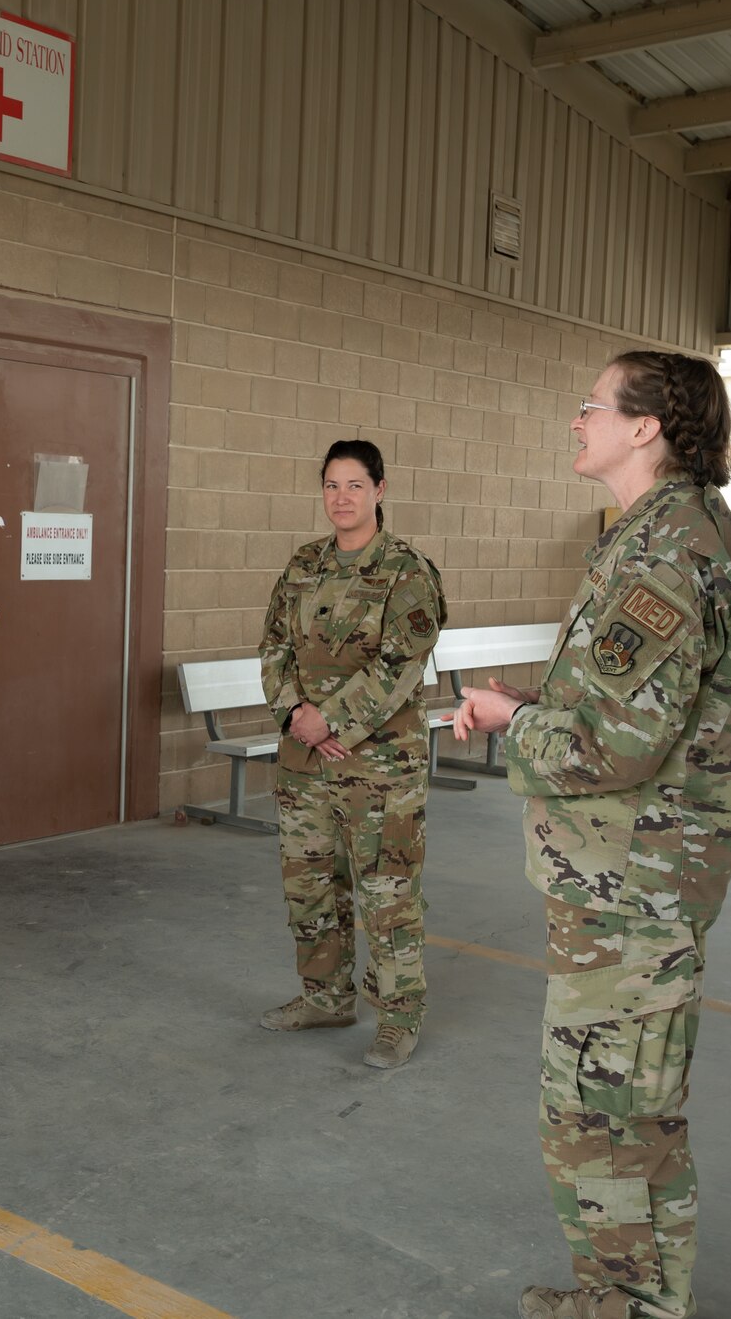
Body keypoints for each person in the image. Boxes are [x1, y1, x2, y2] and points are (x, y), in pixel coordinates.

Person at [453, 352, 731, 1319]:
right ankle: (630, 1301)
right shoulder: (678, 535)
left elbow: (612, 742)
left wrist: (512, 721)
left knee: (604, 1113)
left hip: (632, 888)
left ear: (644, 427)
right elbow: (643, 708)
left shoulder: (660, 553)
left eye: (590, 406)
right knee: (623, 1107)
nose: (577, 421)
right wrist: (532, 703)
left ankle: (629, 1307)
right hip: (640, 876)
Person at [257, 438, 446, 1070]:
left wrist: (329, 720)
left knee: (387, 893)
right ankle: (325, 997)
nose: (342, 498)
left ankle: (399, 1018)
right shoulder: (303, 564)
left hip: (380, 767)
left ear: (380, 491)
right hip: (304, 760)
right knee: (310, 887)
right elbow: (273, 647)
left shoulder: (406, 572)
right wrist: (294, 717)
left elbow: (401, 666)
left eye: (355, 486)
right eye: (332, 486)